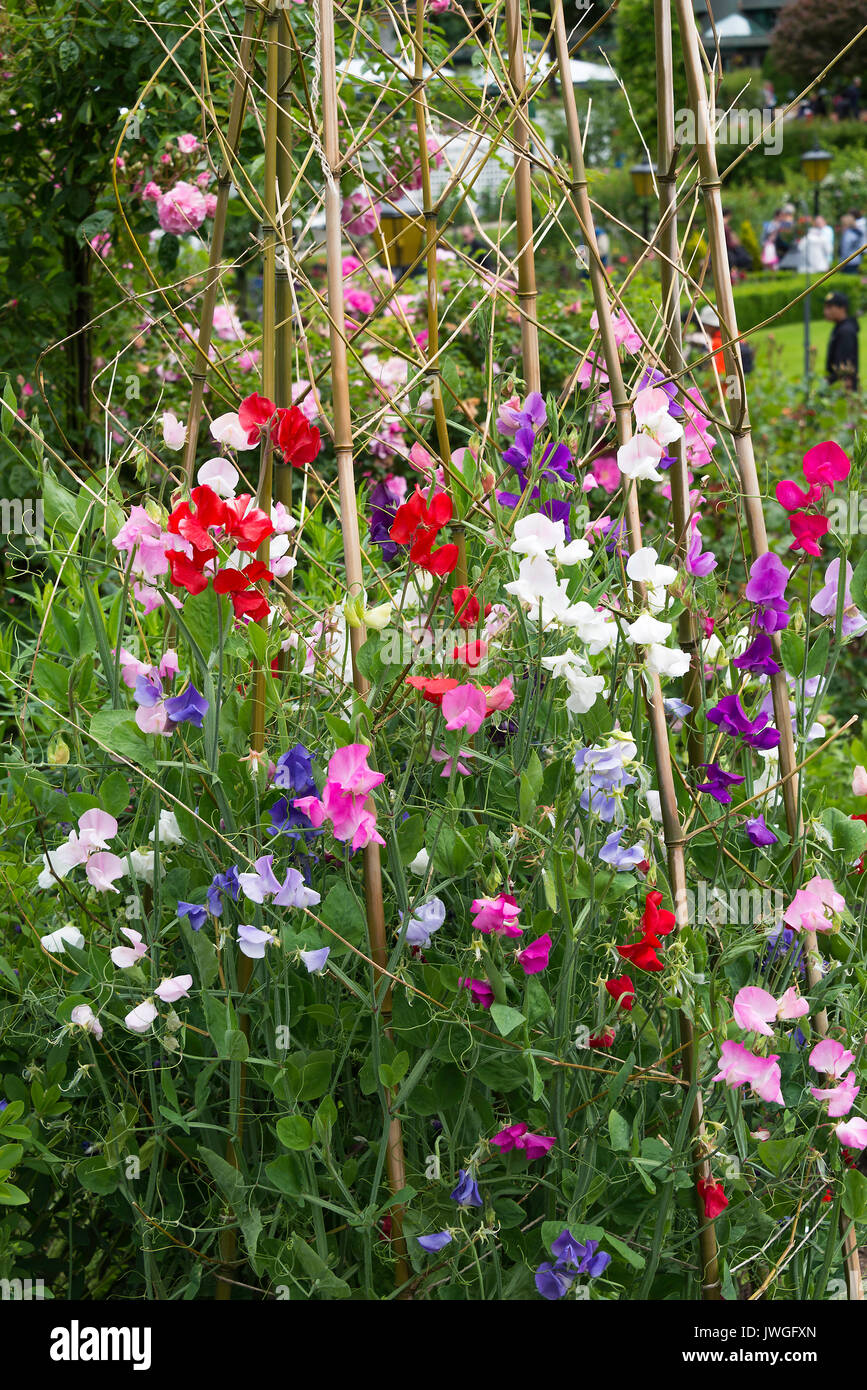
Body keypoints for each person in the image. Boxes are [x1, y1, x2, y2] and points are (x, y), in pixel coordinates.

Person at [824, 291, 859, 391]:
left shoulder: (845, 332)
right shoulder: (840, 328)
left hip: (843, 389)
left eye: (830, 307)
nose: (825, 311)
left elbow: (842, 366)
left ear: (842, 308)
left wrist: (825, 386)